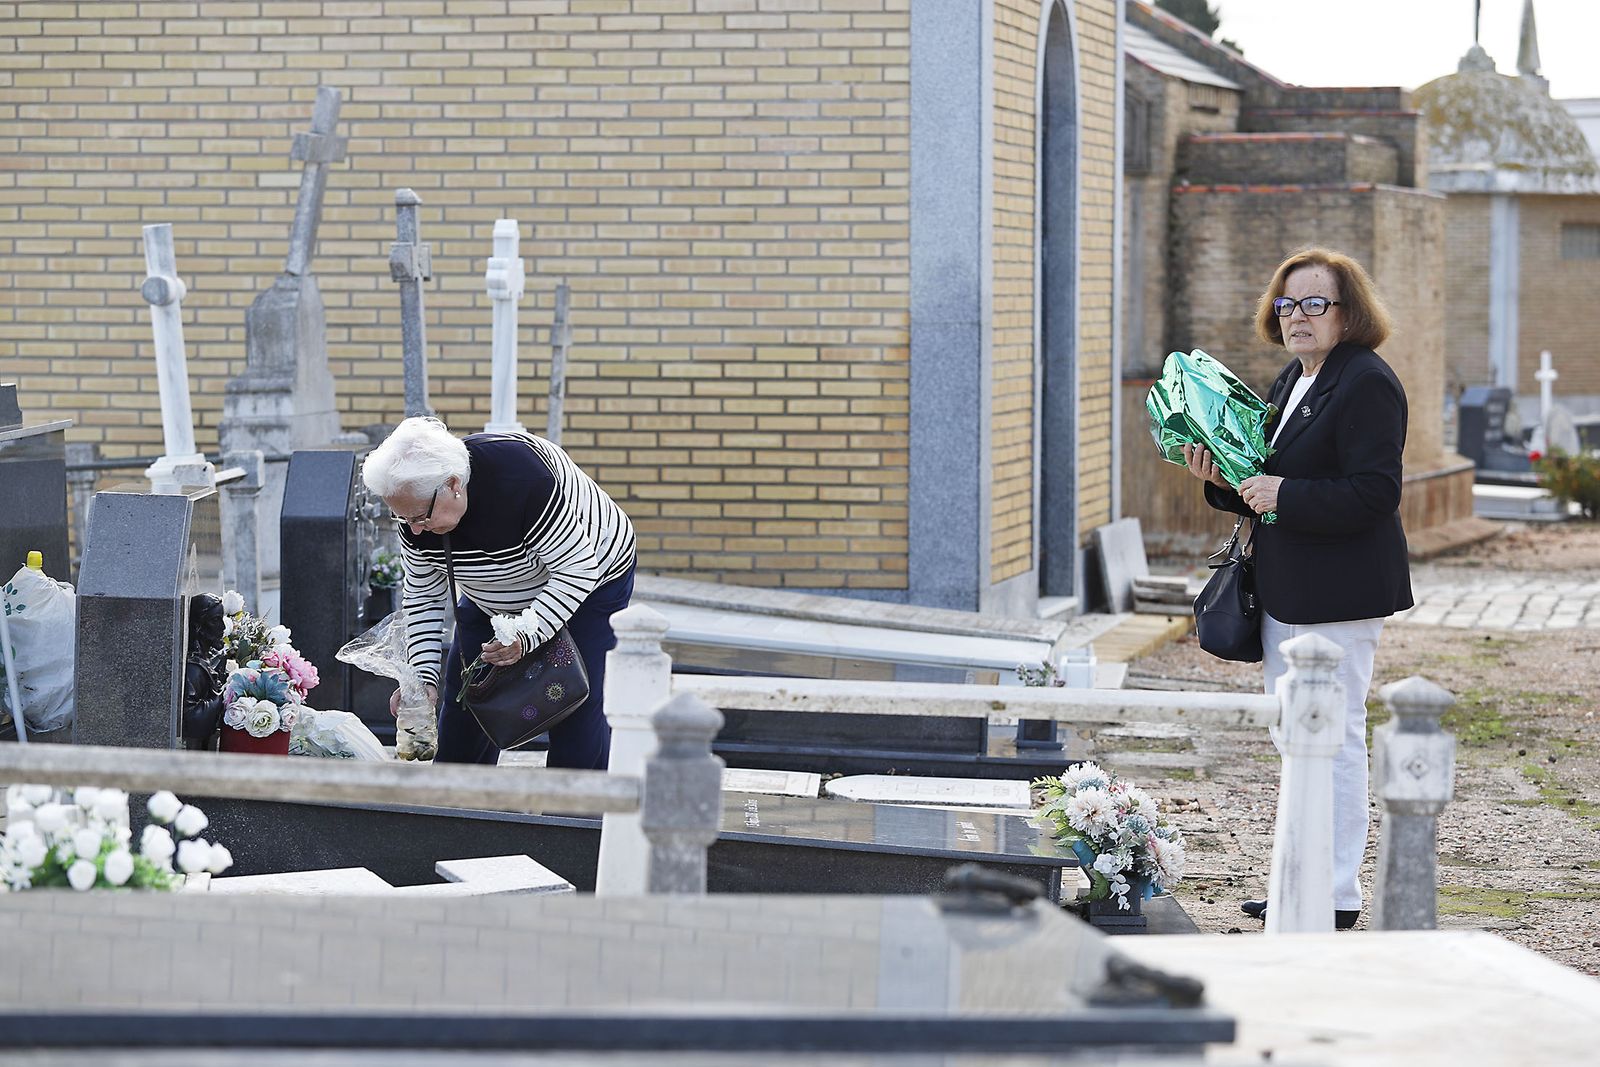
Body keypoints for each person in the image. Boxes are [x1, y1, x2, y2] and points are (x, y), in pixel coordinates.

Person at [1181, 247, 1413, 930]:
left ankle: (1335, 892)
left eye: (1316, 303)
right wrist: (1225, 480)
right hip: (1287, 588)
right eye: (1287, 304)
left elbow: (1376, 493)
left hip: (1339, 594)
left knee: (1333, 737)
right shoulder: (1294, 378)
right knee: (1294, 737)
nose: (1298, 316)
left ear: (1350, 314)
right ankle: (1298, 873)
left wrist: (1285, 493)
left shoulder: (1366, 381)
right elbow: (1264, 487)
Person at [360, 417, 637, 769]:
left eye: (420, 516)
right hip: (492, 588)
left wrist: (524, 635)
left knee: (574, 703)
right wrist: (422, 680)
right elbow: (424, 596)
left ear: (453, 484)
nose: (415, 529)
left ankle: (573, 820)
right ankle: (457, 812)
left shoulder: (523, 479)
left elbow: (577, 569)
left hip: (591, 576)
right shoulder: (415, 511)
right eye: (403, 519)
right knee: (466, 699)